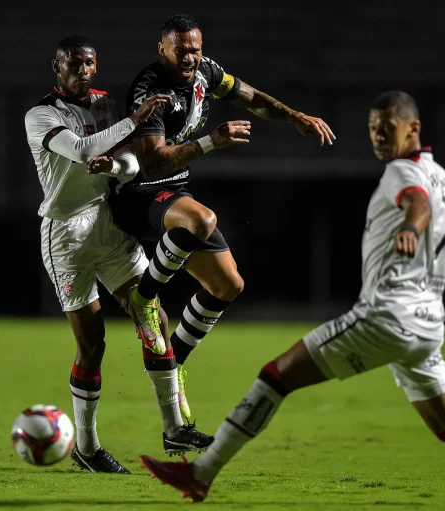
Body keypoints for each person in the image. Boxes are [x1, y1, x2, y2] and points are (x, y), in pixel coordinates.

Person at [137, 90, 445, 507]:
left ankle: (201, 473)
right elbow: (435, 215)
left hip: (387, 315)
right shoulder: (443, 176)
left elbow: (416, 206)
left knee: (275, 377)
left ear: (413, 129)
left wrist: (408, 229)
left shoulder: (404, 173)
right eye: (372, 128)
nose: (379, 135)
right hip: (427, 321)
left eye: (388, 127)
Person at [108, 14, 336, 424]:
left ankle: (173, 363)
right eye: (182, 50)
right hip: (138, 193)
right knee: (201, 219)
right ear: (162, 50)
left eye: (195, 48)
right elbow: (154, 164)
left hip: (174, 192)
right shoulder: (149, 90)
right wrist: (213, 141)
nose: (191, 57)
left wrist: (295, 117)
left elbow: (251, 97)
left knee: (228, 284)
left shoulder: (206, 72)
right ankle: (143, 298)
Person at [24, 35, 214, 473]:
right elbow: (81, 148)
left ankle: (173, 426)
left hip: (107, 226)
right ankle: (87, 448)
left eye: (89, 63)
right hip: (66, 236)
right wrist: (133, 121)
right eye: (74, 64)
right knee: (92, 345)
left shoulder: (108, 105)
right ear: (57, 67)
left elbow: (132, 164)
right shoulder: (40, 114)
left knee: (154, 317)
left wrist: (115, 166)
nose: (84, 70)